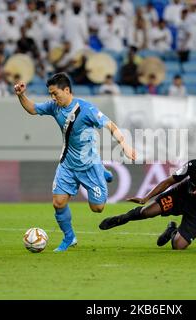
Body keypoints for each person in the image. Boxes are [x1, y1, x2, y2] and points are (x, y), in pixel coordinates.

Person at [14, 72, 136, 252]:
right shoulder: (54, 107)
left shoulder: (86, 109)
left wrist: (124, 145)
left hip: (89, 165)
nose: (53, 97)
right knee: (58, 203)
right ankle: (69, 237)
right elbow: (33, 109)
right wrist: (21, 95)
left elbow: (110, 125)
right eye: (51, 94)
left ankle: (101, 172)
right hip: (68, 164)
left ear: (67, 90)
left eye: (55, 93)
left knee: (98, 208)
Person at [99, 152, 196, 251]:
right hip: (182, 197)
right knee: (149, 211)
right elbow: (168, 182)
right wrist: (145, 198)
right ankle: (122, 218)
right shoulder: (192, 165)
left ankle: (172, 231)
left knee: (178, 246)